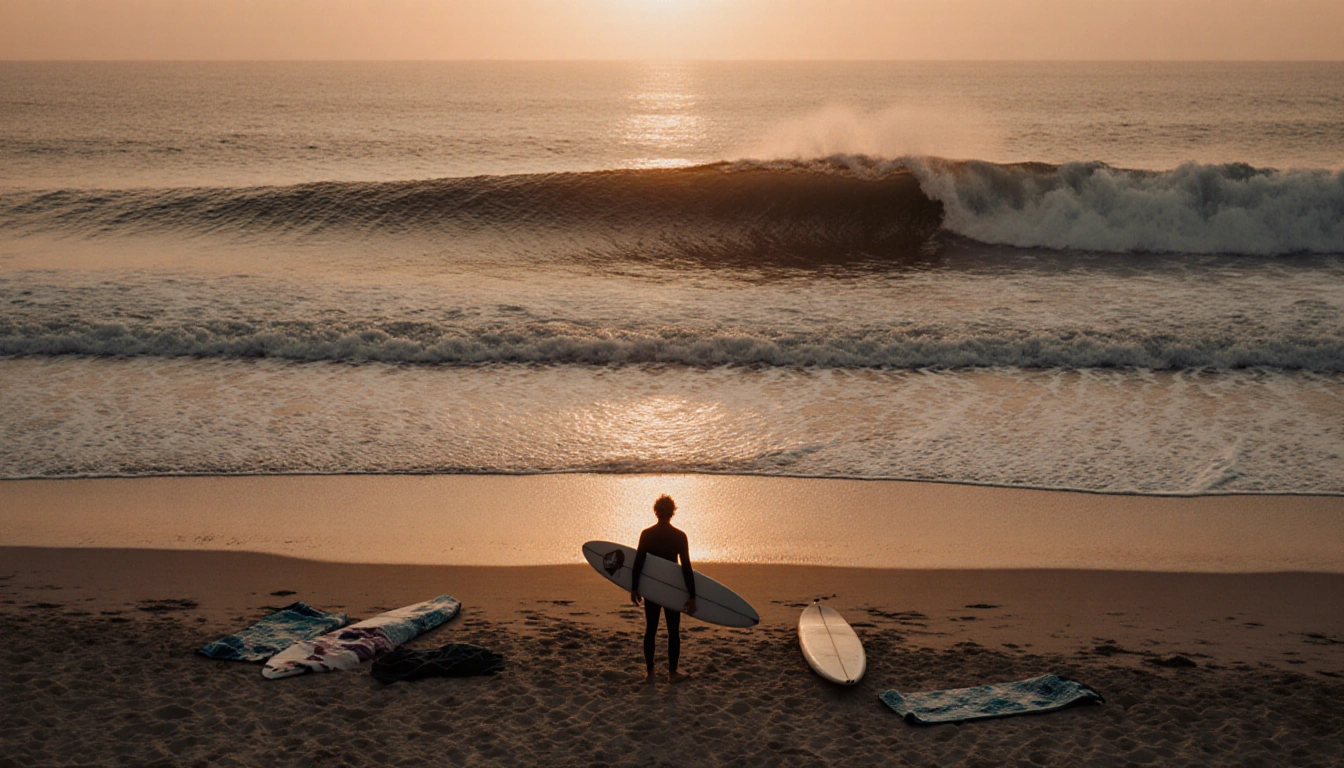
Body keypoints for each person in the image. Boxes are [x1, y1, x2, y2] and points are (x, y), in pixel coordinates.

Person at [629, 494, 697, 683]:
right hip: (672, 589)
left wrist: (634, 588)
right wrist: (692, 595)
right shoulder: (679, 536)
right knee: (673, 631)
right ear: (672, 512)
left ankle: (650, 673)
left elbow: (638, 563)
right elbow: (686, 567)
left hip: (653, 589)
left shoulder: (647, 534)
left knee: (650, 629)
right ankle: (672, 673)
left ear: (656, 511)